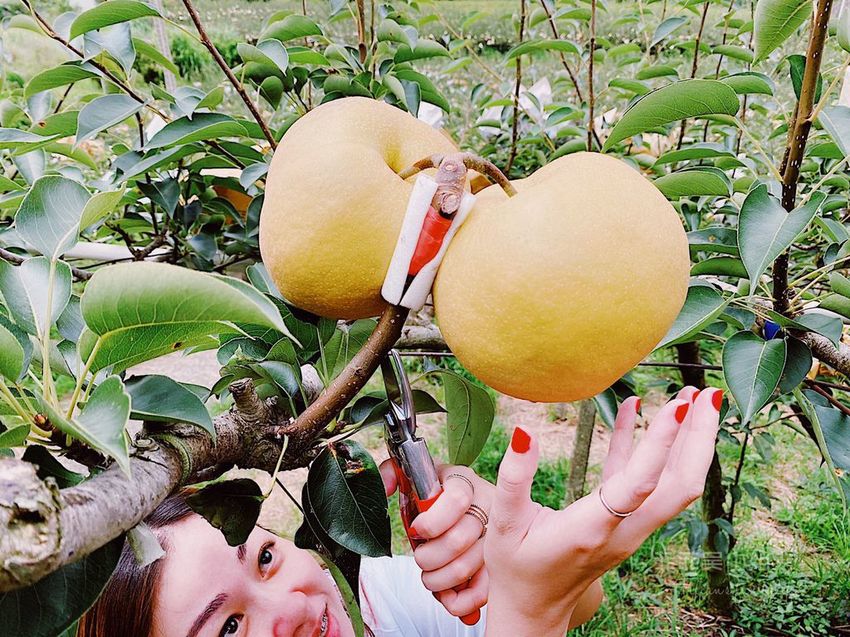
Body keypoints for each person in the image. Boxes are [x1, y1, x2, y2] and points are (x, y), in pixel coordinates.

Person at [77, 386, 720, 636]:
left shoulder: (374, 602)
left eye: (266, 558)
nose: (291, 612)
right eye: (227, 630)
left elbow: (582, 605)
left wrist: (516, 558)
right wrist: (530, 614)